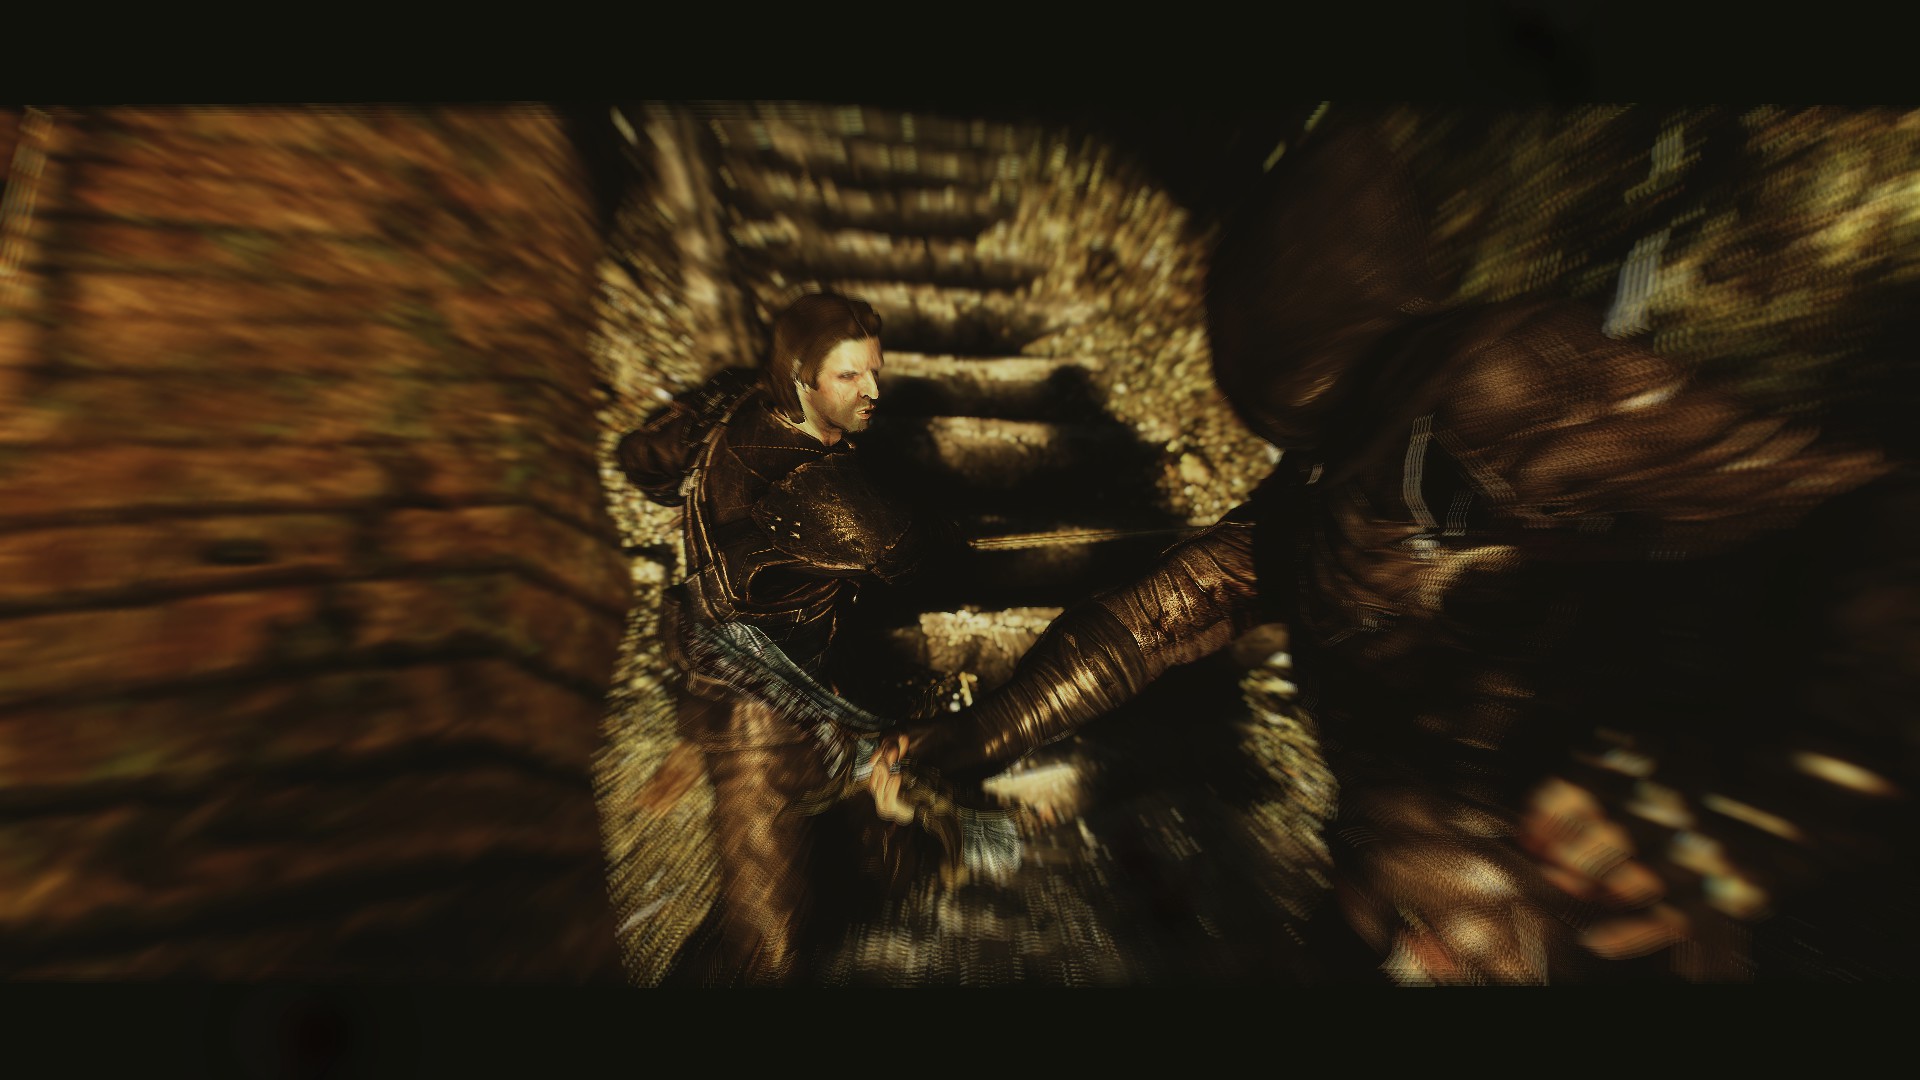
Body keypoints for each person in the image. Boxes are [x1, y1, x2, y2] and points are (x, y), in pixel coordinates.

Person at [868, 117, 1909, 984]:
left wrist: (1776, 805)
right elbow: (1155, 617)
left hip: (1562, 902)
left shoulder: (1505, 386)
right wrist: (980, 734)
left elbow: (1866, 512)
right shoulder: (1323, 483)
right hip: (1414, 897)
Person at [617, 291, 953, 986]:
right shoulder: (831, 491)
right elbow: (914, 556)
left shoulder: (727, 403)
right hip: (754, 728)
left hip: (814, 690)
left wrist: (697, 492)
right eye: (850, 376)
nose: (873, 392)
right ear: (801, 376)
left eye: (875, 371)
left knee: (896, 862)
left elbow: (642, 458)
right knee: (767, 959)